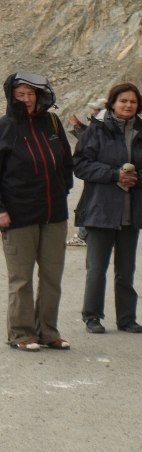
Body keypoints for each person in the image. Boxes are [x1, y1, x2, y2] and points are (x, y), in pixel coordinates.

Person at [0, 71, 74, 352]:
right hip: (18, 216)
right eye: (21, 94)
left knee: (52, 277)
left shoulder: (52, 124)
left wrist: (62, 191)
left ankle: (48, 331)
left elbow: (66, 163)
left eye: (31, 94)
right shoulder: (2, 129)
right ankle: (21, 334)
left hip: (54, 214)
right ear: (11, 96)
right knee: (21, 279)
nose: (27, 99)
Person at [73, 83, 142, 334]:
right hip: (100, 210)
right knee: (96, 268)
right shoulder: (97, 130)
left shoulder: (141, 131)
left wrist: (136, 178)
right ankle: (92, 316)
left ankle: (127, 318)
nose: (128, 105)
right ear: (112, 103)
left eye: (133, 102)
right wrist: (115, 175)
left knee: (126, 270)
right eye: (123, 100)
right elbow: (80, 165)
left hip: (130, 213)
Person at [67, 98, 107, 247]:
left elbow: (87, 141)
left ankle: (83, 235)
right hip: (98, 172)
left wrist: (77, 126)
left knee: (90, 202)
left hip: (97, 172)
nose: (93, 112)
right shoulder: (102, 125)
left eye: (96, 109)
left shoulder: (103, 126)